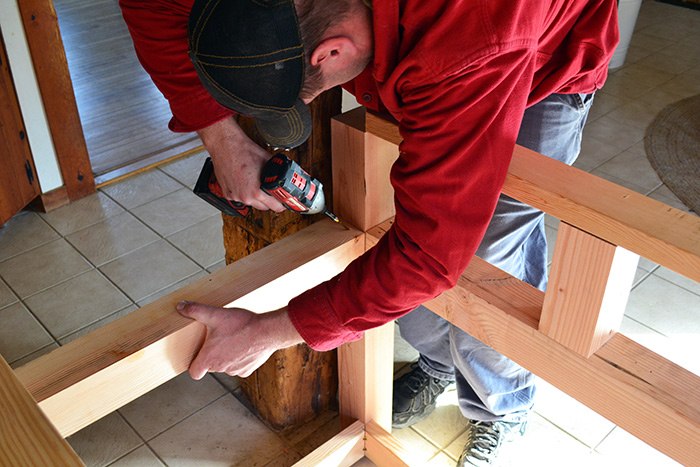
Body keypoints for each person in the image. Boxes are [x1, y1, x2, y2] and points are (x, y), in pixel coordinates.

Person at [119, 0, 619, 465]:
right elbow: (150, 5)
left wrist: (267, 332)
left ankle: (501, 407)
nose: (302, 104)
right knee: (410, 223)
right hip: (437, 61)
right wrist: (220, 135)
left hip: (545, 69)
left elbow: (427, 257)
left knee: (490, 254)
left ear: (334, 49)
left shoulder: (466, 44)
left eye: (302, 95)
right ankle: (438, 363)